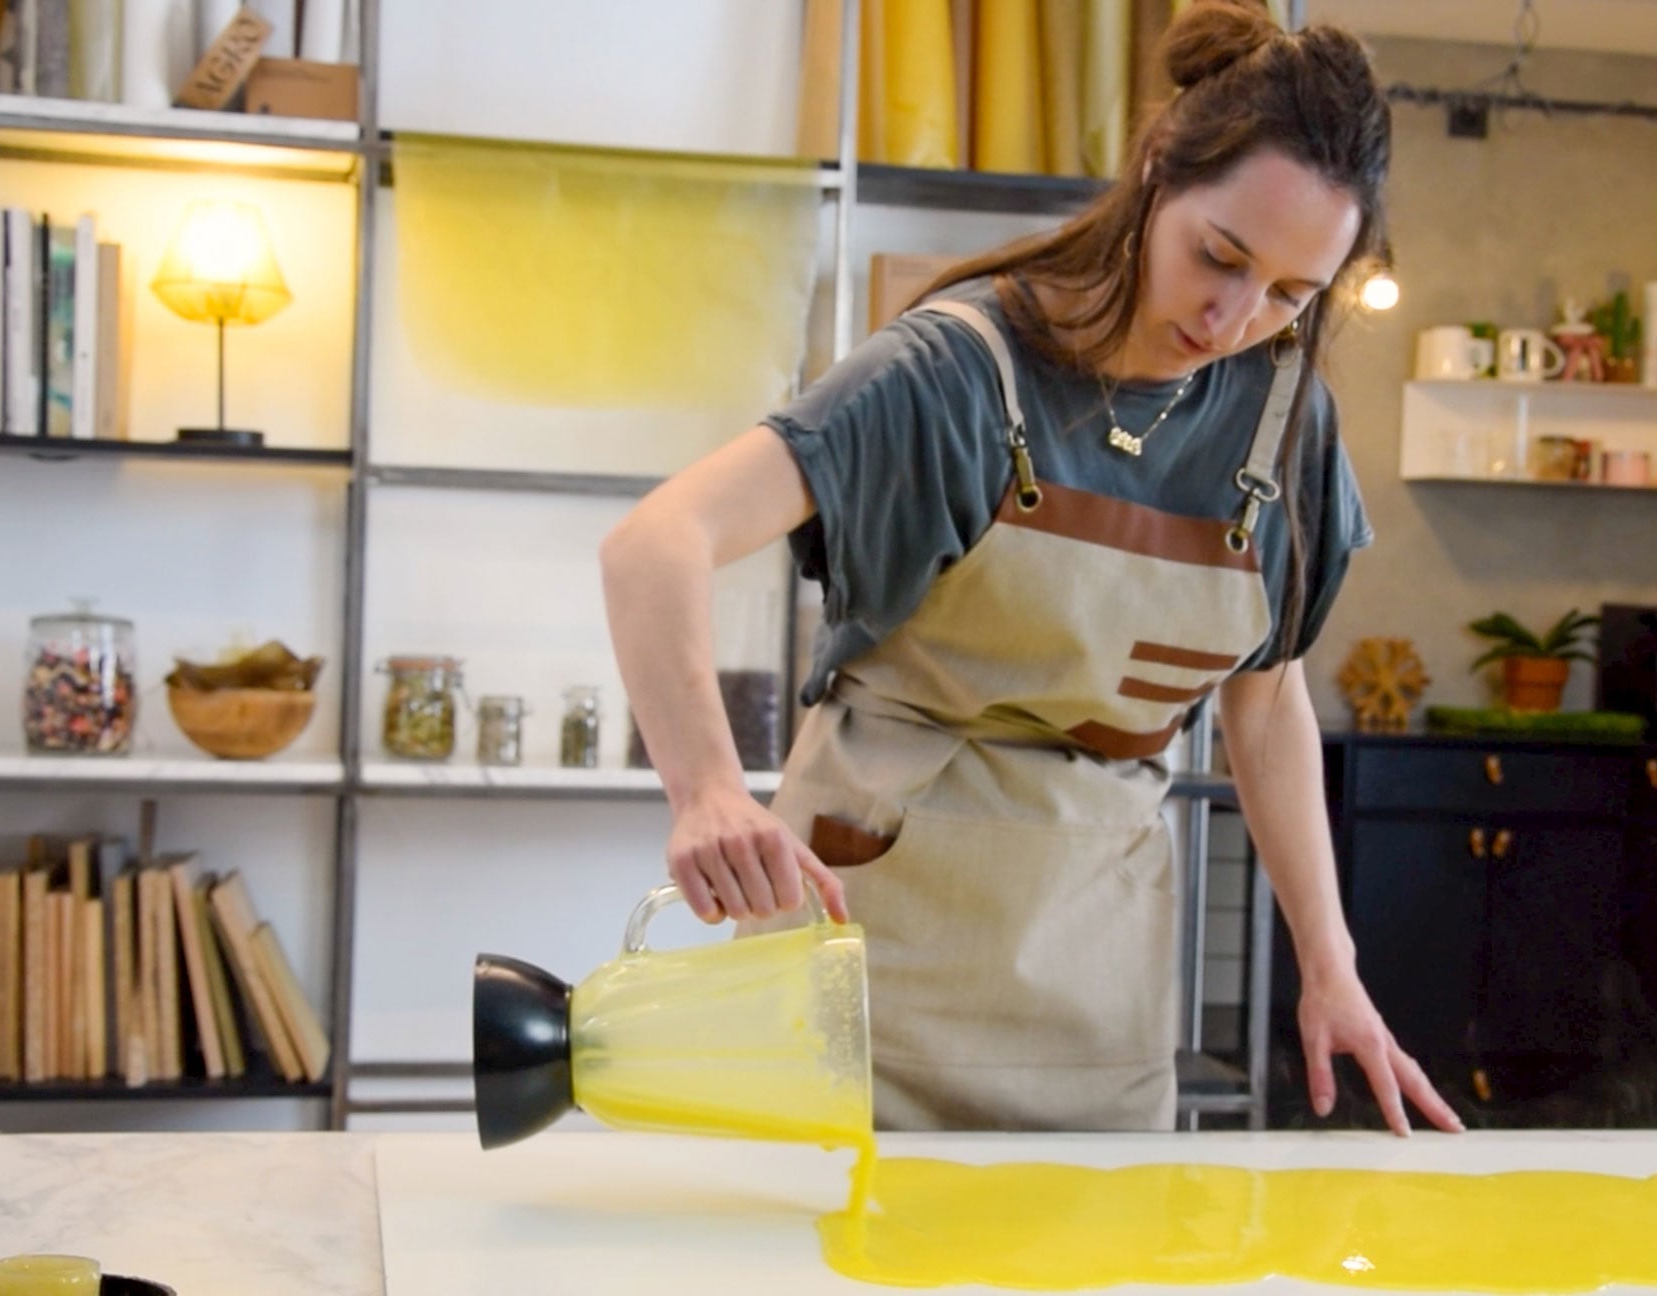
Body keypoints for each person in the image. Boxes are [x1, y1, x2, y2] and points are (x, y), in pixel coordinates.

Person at [600, 0, 1462, 1137]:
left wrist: (1331, 964)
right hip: (870, 944)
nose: (1236, 316)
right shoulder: (958, 370)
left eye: (1293, 296)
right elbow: (657, 541)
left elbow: (1265, 700)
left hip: (1092, 975)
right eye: (1220, 256)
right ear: (1158, 169)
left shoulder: (1286, 423)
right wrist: (708, 789)